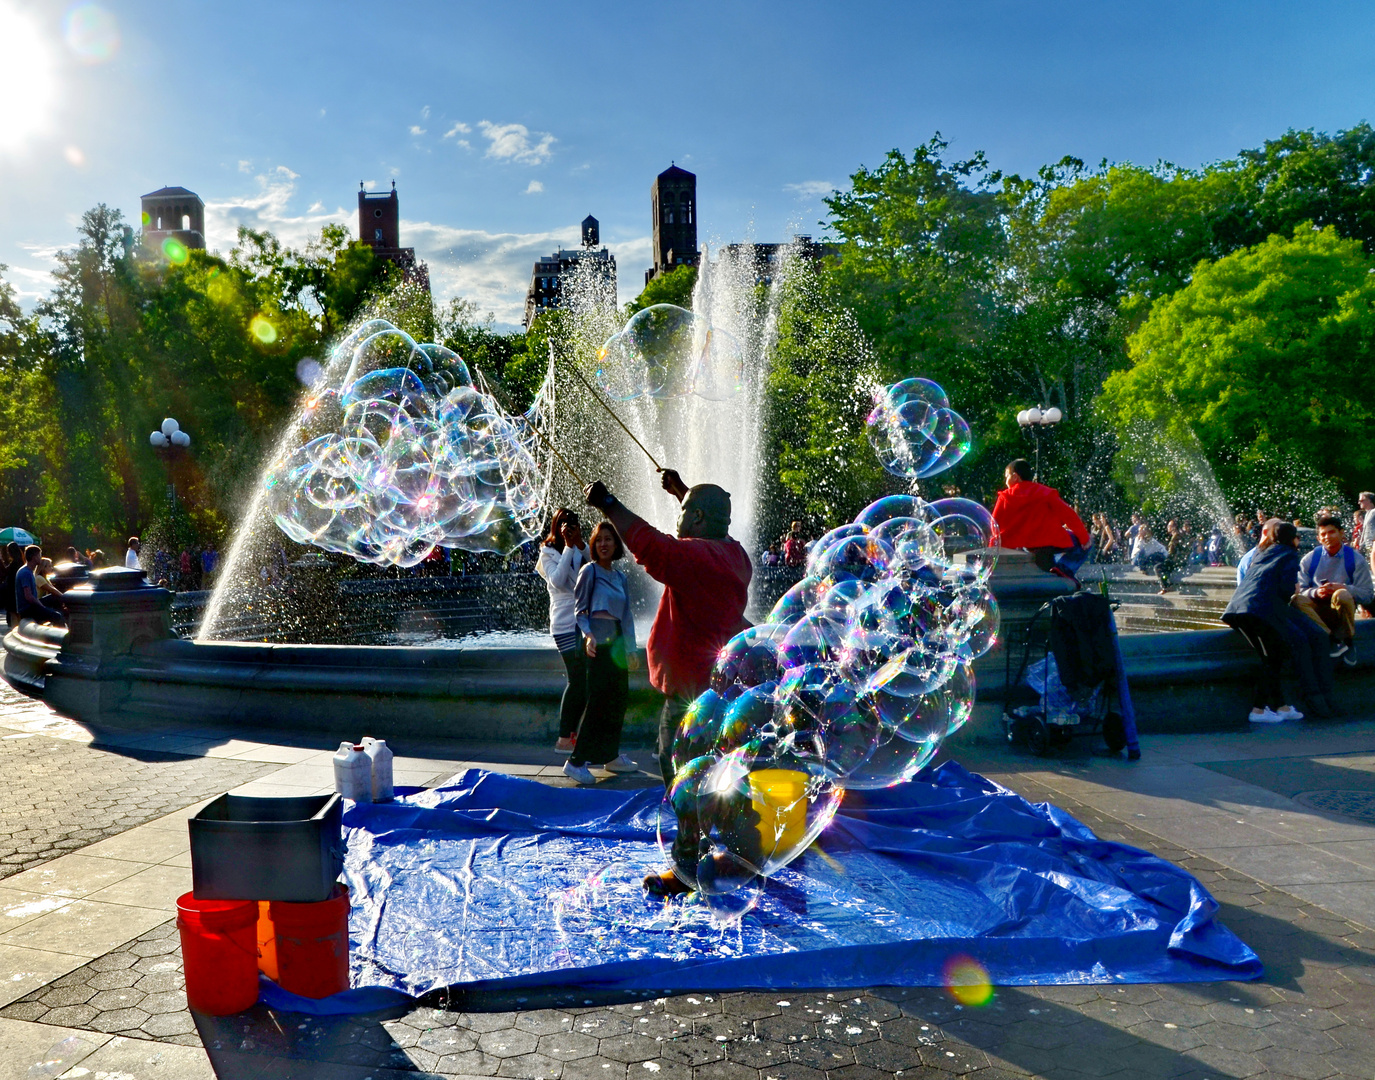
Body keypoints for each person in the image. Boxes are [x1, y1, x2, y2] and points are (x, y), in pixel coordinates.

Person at [583, 468, 752, 895]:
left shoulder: (694, 559)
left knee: (683, 776)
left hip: (692, 694)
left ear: (696, 520)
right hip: (717, 687)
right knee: (716, 774)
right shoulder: (734, 554)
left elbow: (652, 547)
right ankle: (742, 853)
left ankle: (690, 873)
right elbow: (697, 535)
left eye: (685, 511)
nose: (679, 516)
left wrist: (608, 504)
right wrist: (683, 492)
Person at [563, 522, 638, 785]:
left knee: (619, 698)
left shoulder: (620, 578)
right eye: (599, 540)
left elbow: (626, 616)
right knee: (597, 703)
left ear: (616, 545)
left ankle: (611, 755)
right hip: (596, 643)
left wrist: (631, 648)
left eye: (609, 539)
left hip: (615, 641)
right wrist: (588, 637)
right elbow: (579, 611)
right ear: (594, 546)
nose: (604, 544)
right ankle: (576, 761)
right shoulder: (589, 571)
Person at [1222, 521, 1307, 723]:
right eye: (1297, 537)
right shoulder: (1288, 554)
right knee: (1273, 657)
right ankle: (1258, 710)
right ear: (1292, 538)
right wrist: (1294, 591)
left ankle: (1281, 706)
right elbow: (1287, 588)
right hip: (1258, 612)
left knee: (1272, 656)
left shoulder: (1262, 552)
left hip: (1240, 609)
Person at [536, 508, 588, 756]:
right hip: (565, 623)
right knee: (576, 679)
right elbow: (557, 581)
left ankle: (572, 735)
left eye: (573, 524)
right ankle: (563, 737)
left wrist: (579, 544)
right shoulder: (546, 552)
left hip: (583, 622)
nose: (568, 527)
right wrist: (569, 547)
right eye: (564, 523)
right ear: (556, 526)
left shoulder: (579, 547)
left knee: (583, 681)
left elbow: (590, 573)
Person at [990, 459, 1090, 581]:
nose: (1005, 481)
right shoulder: (1044, 492)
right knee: (1089, 544)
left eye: (1006, 477)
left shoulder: (1005, 497)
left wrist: (992, 548)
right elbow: (1069, 514)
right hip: (1049, 542)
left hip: (1023, 546)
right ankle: (1064, 568)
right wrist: (1084, 538)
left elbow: (994, 524)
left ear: (1015, 477)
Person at [1294, 515, 1372, 666]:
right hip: (1316, 610)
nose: (1327, 537)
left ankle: (1347, 640)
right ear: (1318, 538)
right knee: (1295, 600)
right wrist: (1316, 592)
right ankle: (1333, 640)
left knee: (1341, 594)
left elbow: (1368, 594)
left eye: (1331, 532)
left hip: (1341, 609)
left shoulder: (1356, 559)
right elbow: (1300, 590)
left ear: (1341, 533)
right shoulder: (1309, 559)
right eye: (1323, 534)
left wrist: (1342, 587)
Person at [15, 546, 66, 627]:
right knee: (57, 616)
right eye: (39, 555)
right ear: (34, 557)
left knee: (55, 598)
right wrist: (43, 607)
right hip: (27, 609)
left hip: (31, 606)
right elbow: (28, 596)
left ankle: (57, 614)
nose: (41, 558)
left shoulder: (28, 570)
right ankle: (62, 637)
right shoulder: (25, 573)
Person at [3, 542, 20, 628]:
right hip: (18, 591)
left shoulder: (13, 564)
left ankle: (15, 632)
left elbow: (5, 573)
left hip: (11, 591)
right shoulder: (21, 562)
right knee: (18, 614)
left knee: (13, 615)